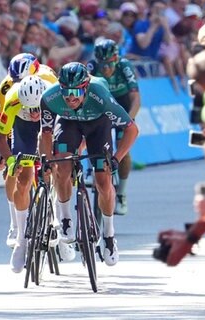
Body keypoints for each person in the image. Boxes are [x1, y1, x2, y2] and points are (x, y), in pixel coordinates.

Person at [39, 62, 139, 266]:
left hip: (97, 124)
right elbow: (46, 133)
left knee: (103, 180)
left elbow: (131, 129)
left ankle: (109, 235)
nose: (70, 97)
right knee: (62, 166)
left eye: (76, 91)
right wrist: (47, 160)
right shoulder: (50, 98)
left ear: (85, 88)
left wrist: (116, 158)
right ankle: (65, 218)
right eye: (66, 91)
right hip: (68, 123)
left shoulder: (100, 96)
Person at [0, 53, 57, 249]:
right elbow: (1, 128)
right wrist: (7, 157)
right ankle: (15, 224)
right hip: (18, 117)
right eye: (16, 80)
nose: (18, 83)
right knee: (15, 168)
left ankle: (55, 215)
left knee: (55, 162)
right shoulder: (8, 88)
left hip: (46, 116)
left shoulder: (50, 81)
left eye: (21, 80)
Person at [87, 39, 141, 215]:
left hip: (122, 105)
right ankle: (89, 169)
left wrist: (129, 121)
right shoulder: (91, 66)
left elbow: (135, 98)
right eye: (102, 64)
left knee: (123, 149)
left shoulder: (125, 66)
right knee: (88, 132)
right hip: (100, 104)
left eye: (109, 64)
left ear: (116, 59)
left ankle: (121, 194)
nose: (105, 68)